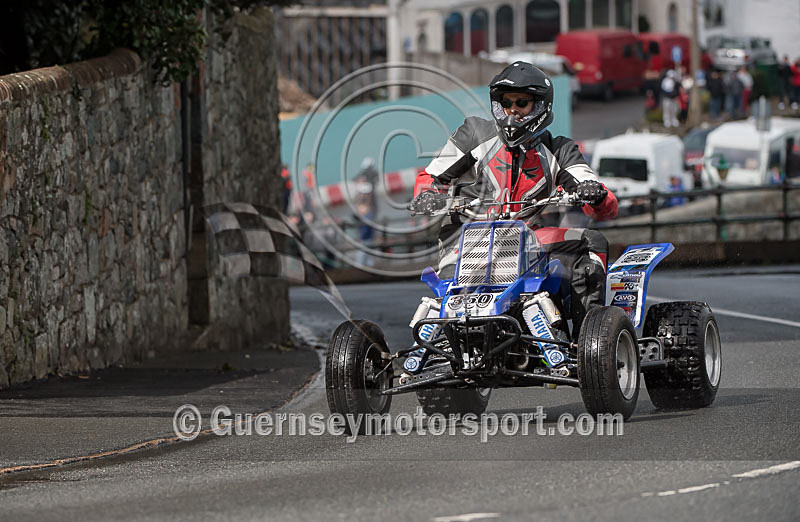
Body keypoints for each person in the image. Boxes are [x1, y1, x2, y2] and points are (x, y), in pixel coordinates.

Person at [409, 61, 618, 337]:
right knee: (449, 299)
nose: (513, 111)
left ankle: (588, 343)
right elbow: (431, 176)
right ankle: (442, 345)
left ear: (541, 107)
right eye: (507, 103)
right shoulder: (473, 133)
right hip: (466, 239)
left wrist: (596, 193)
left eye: (522, 102)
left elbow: (597, 196)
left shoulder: (560, 149)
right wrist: (428, 195)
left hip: (528, 241)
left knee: (592, 242)